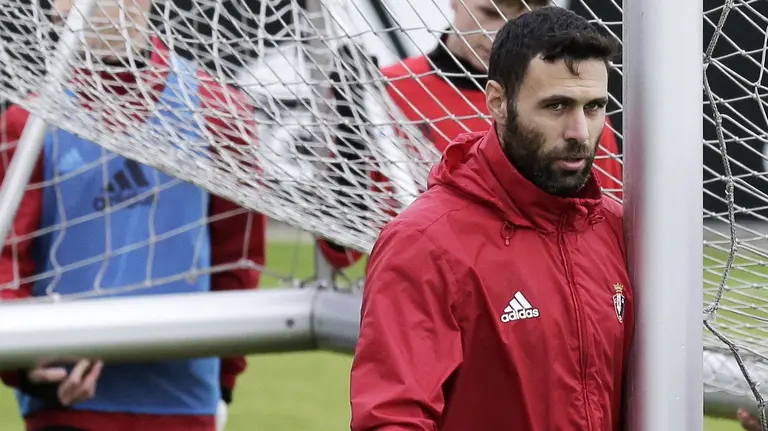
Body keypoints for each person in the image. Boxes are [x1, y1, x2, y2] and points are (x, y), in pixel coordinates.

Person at [0, 0, 344, 430]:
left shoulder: (218, 111)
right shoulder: (28, 122)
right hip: (68, 406)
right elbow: (7, 263)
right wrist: (24, 365)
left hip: (183, 402)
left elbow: (237, 258)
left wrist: (224, 380)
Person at [350, 6, 633, 430]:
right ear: (497, 102)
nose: (579, 131)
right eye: (556, 106)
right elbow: (392, 418)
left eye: (593, 107)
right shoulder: (424, 243)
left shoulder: (615, 228)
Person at [381, 0, 624, 198]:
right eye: (489, 12)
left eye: (529, 16)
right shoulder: (388, 90)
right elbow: (348, 251)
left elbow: (606, 227)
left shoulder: (580, 115)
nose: (501, 35)